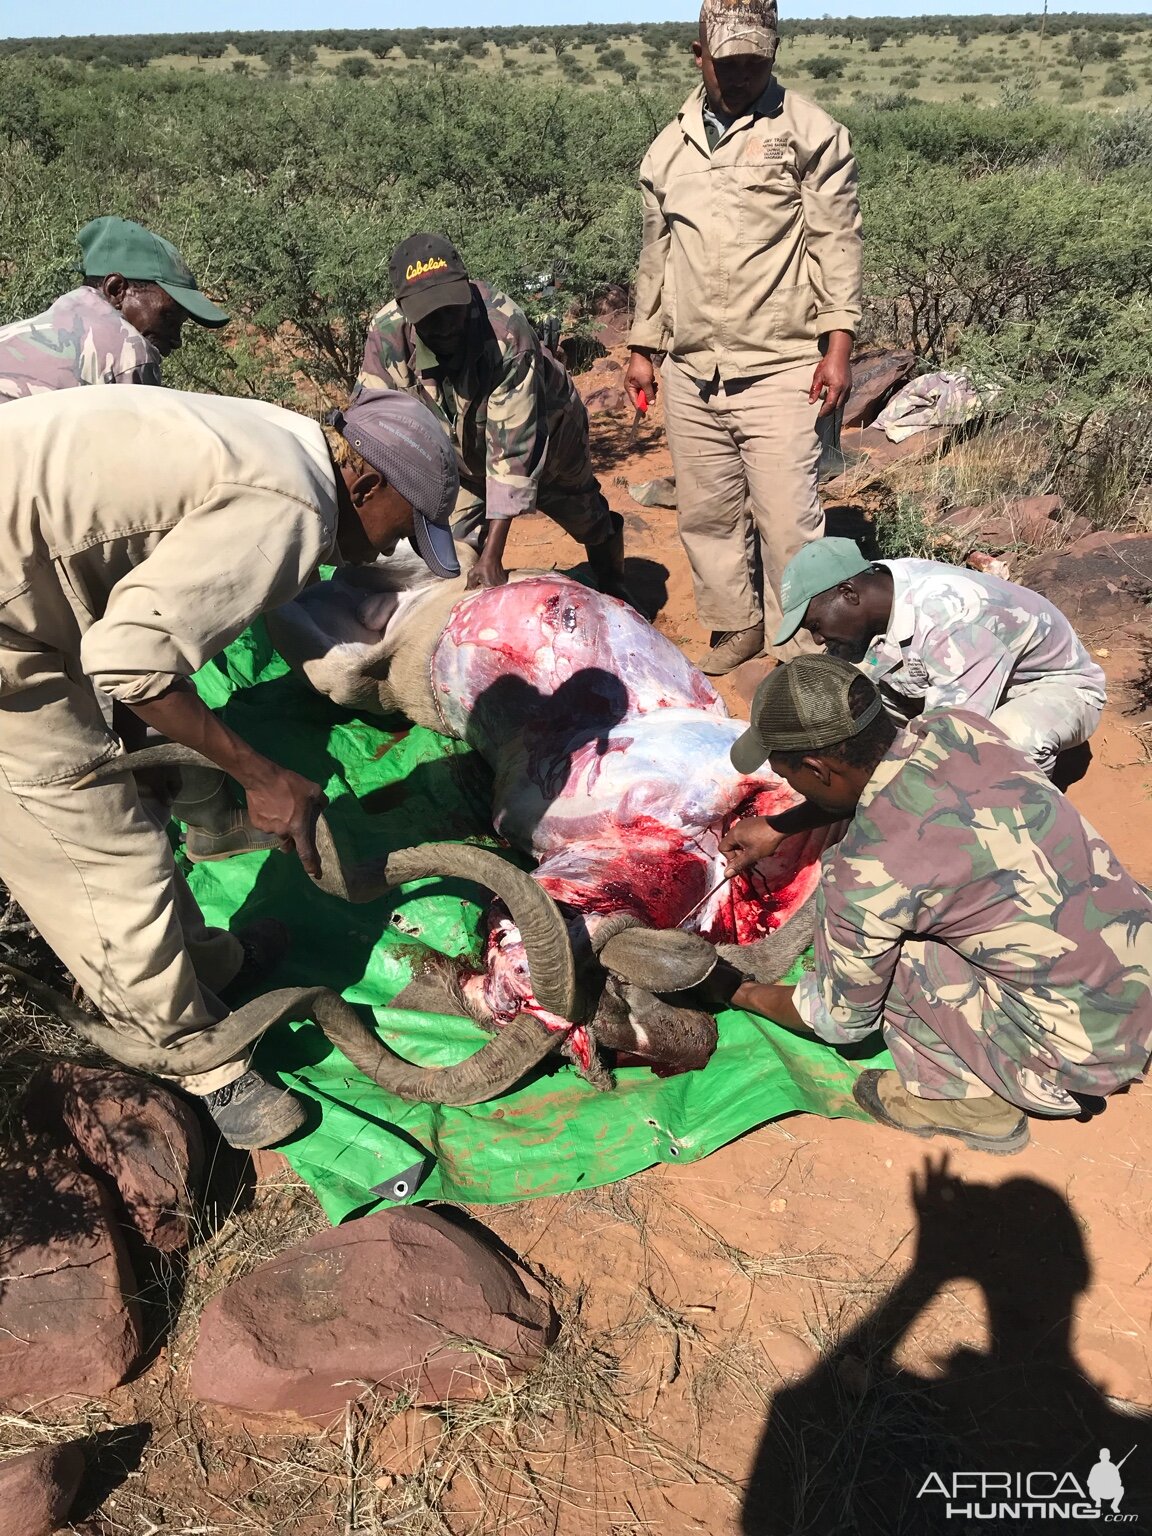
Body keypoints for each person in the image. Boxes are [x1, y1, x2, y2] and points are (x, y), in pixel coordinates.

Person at [0, 385, 459, 1151]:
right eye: (401, 528)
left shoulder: (288, 443)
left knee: (124, 793)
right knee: (94, 842)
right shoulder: (295, 506)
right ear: (368, 482)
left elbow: (116, 586)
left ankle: (207, 962)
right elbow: (130, 663)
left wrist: (128, 729)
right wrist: (263, 778)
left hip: (27, 587)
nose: (386, 551)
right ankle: (200, 1060)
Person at [719, 655, 1152, 1154]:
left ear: (817, 767)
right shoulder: (956, 728)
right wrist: (780, 825)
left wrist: (737, 989)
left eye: (790, 775)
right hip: (1135, 971)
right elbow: (875, 787)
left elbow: (838, 1020)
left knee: (897, 952)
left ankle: (967, 1105)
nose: (792, 786)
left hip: (1080, 1060)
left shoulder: (866, 872)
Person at [626, 0, 862, 675]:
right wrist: (644, 350)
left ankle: (802, 647)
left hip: (784, 360)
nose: (742, 74)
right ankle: (736, 625)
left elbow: (837, 244)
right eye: (729, 61)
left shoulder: (811, 131)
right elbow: (656, 255)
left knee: (789, 520)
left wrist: (837, 349)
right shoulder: (669, 148)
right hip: (692, 365)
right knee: (707, 513)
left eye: (756, 60)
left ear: (775, 51)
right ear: (698, 55)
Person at [355, 233, 633, 601]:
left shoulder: (504, 330)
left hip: (550, 437)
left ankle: (615, 583)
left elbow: (513, 454)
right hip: (459, 456)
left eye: (450, 307)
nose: (445, 324)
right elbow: (371, 423)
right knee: (453, 546)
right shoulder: (387, 335)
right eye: (429, 316)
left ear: (466, 287)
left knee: (587, 519)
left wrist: (493, 558)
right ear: (405, 310)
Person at [775, 536, 1106, 777]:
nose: (818, 638)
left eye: (816, 625)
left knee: (1001, 747)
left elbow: (949, 740)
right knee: (855, 703)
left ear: (848, 593)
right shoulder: (881, 584)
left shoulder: (956, 619)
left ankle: (1023, 825)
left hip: (1049, 689)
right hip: (972, 677)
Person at [0, 216, 229, 401]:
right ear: (116, 289)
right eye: (168, 317)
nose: (177, 341)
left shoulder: (10, 334)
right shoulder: (129, 353)